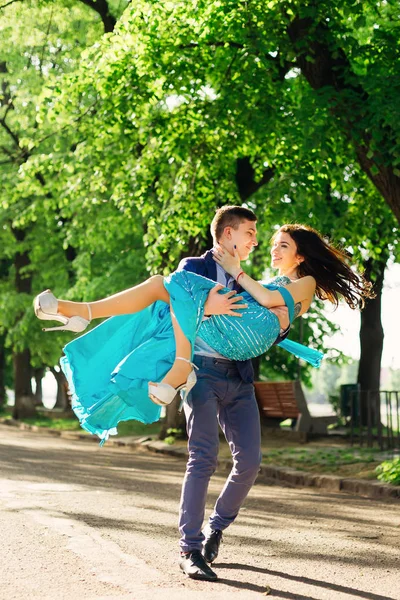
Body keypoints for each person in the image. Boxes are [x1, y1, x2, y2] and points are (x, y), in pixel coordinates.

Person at [34, 211, 372, 581]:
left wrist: (235, 277)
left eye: (281, 245)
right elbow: (223, 304)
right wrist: (206, 305)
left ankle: (217, 526)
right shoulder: (211, 268)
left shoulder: (297, 284)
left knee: (250, 463)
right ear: (228, 233)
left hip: (239, 378)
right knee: (202, 457)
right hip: (205, 372)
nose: (267, 246)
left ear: (301, 256)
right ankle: (189, 547)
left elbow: (263, 298)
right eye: (263, 238)